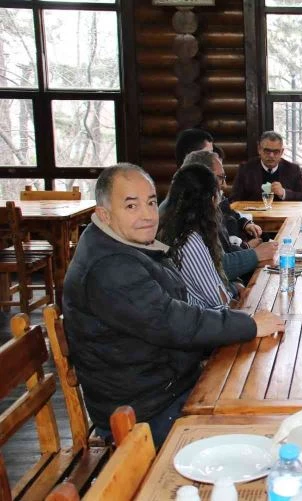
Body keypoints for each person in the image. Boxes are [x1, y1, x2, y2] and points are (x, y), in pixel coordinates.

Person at [63, 163, 284, 447]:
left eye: (151, 202)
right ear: (104, 214)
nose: (147, 215)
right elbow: (175, 322)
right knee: (258, 430)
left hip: (162, 385)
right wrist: (249, 324)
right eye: (131, 206)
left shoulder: (120, 244)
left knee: (256, 389)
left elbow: (177, 313)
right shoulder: (110, 267)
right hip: (144, 412)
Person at [164, 150, 277, 283]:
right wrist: (254, 254)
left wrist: (246, 226)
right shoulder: (185, 218)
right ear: (202, 178)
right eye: (220, 177)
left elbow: (223, 250)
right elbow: (213, 268)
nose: (224, 184)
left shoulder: (205, 205)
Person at [158, 164, 238, 309]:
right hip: (207, 319)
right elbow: (219, 300)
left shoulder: (171, 228)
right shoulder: (190, 240)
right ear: (211, 200)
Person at [230, 131, 302, 201]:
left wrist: (283, 193)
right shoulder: (245, 169)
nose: (271, 155)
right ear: (259, 149)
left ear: (281, 152)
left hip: (284, 212)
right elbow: (234, 199)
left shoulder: (293, 169)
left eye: (276, 152)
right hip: (255, 212)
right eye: (267, 151)